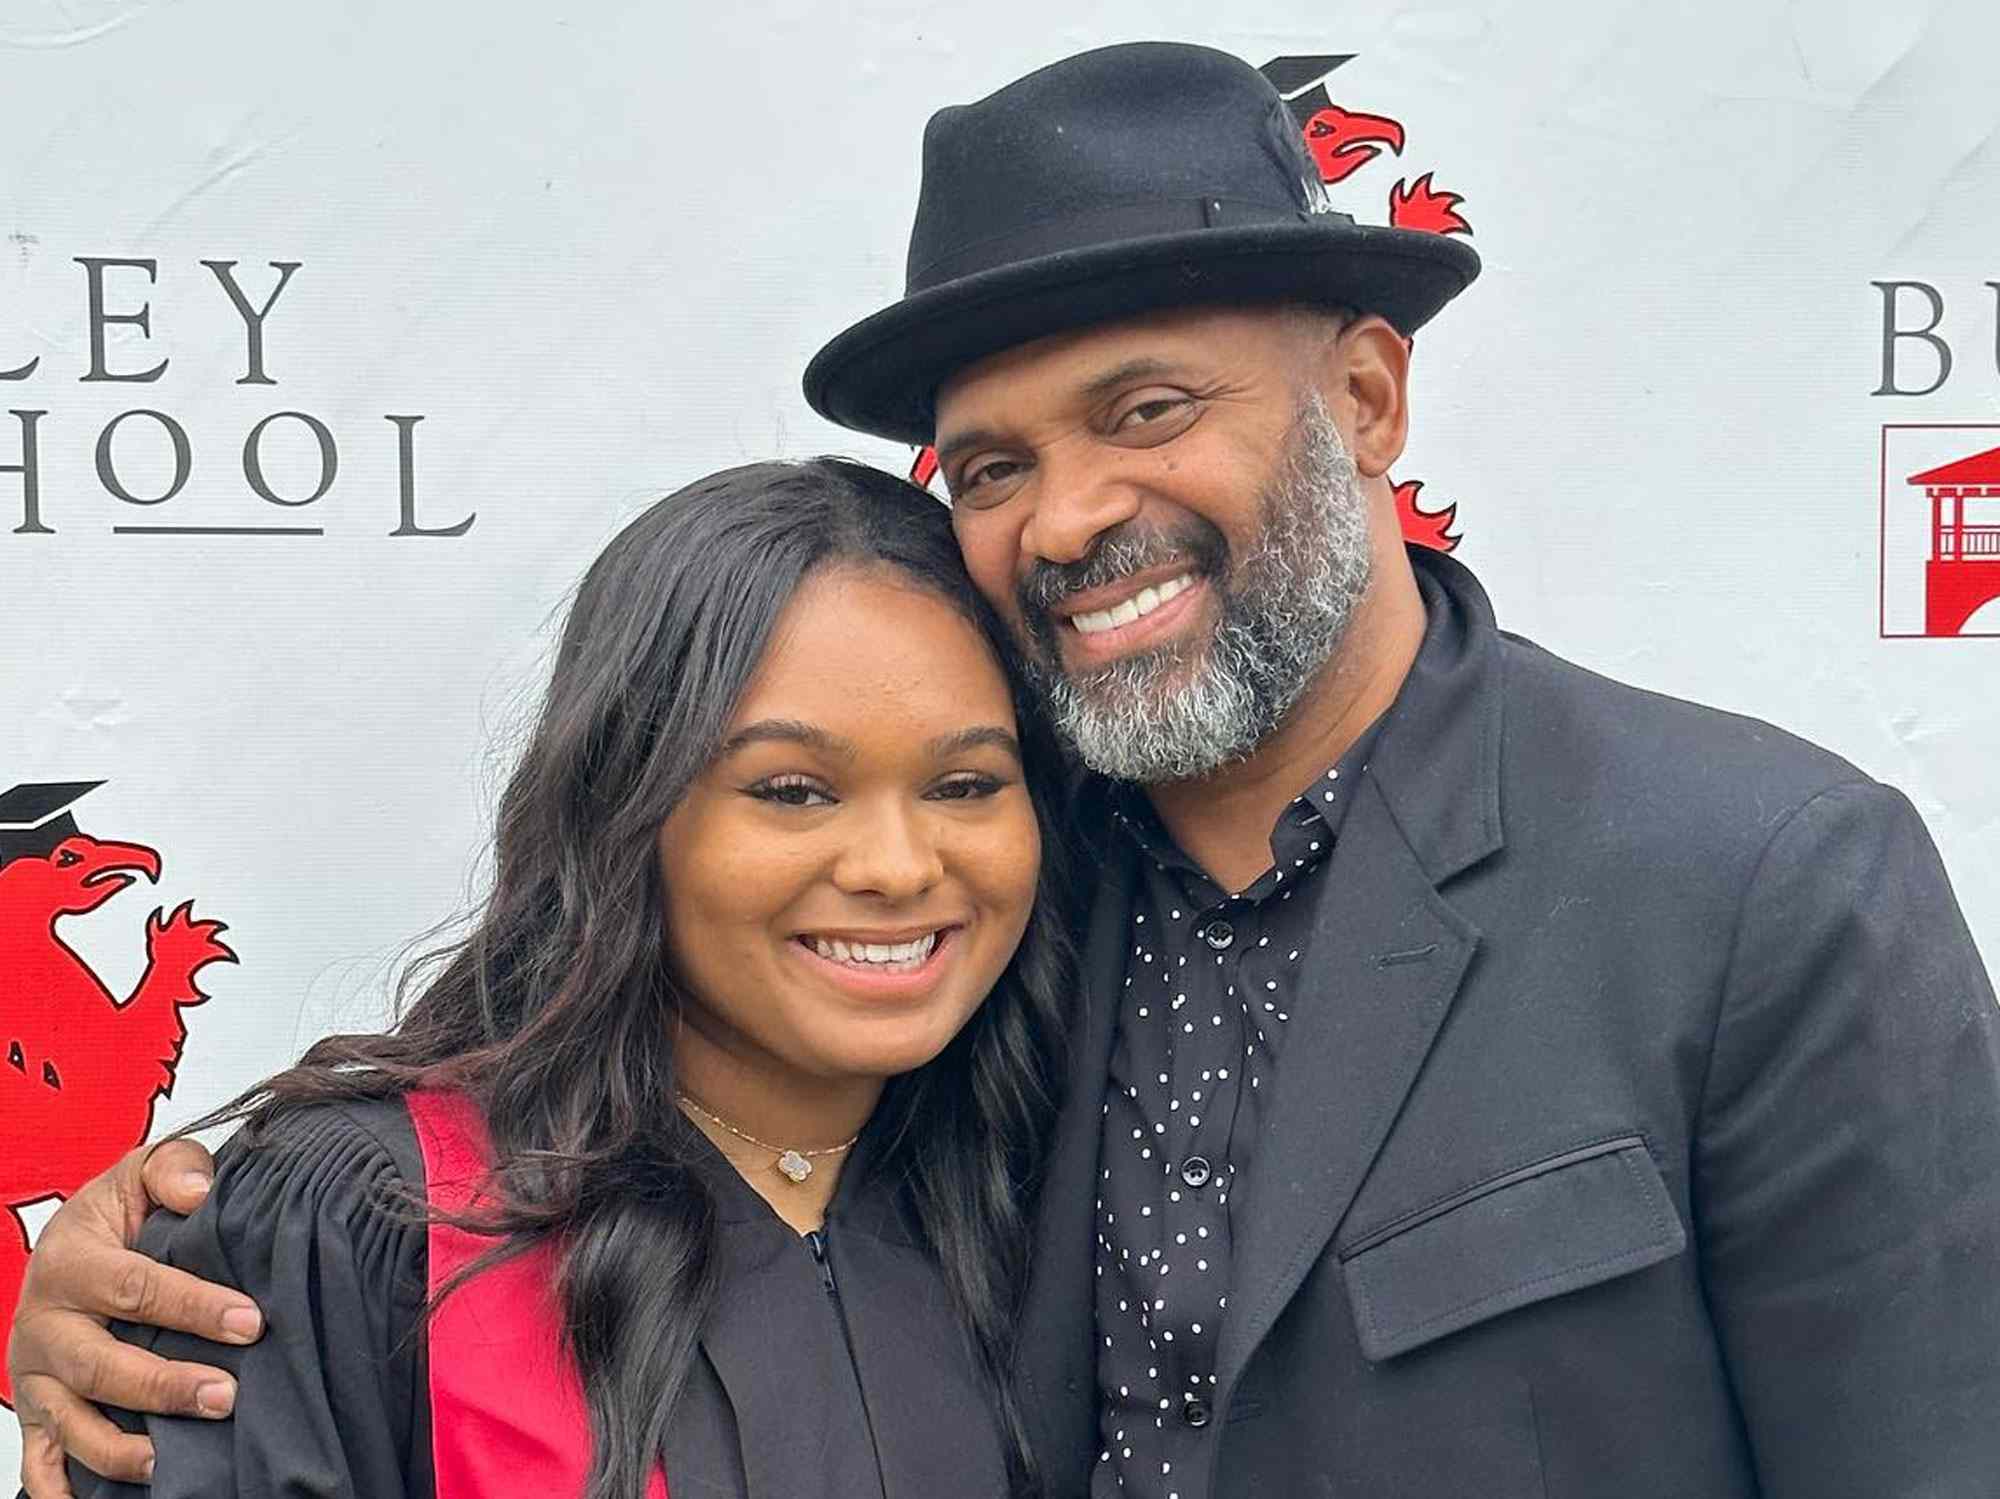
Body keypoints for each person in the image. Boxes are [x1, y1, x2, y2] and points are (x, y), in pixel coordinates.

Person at [16, 39, 2000, 1499]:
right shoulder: (989, 901)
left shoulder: (1760, 881)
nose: (1068, 516)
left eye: (1147, 408)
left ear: (1369, 395)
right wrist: (172, 1262)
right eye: (992, 463)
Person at [11, 456, 1077, 1498]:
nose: (895, 866)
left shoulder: (1058, 1175)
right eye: (792, 790)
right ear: (624, 808)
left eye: (964, 782)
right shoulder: (374, 1216)